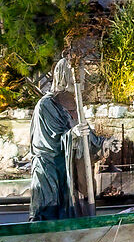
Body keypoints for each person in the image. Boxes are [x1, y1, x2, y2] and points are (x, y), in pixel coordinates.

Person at [30, 58, 97, 221]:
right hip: (49, 168)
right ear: (65, 76)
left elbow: (87, 133)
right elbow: (47, 141)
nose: (81, 78)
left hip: (68, 169)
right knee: (50, 211)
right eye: (77, 75)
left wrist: (103, 143)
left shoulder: (75, 103)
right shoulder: (46, 105)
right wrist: (72, 134)